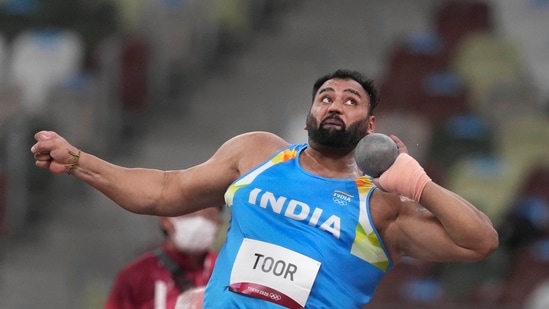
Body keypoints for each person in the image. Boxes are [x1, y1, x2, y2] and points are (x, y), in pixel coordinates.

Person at [31, 69, 498, 308]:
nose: (335, 106)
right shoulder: (258, 155)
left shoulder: (382, 209)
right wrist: (78, 160)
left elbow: (480, 241)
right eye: (326, 98)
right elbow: (161, 192)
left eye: (350, 101)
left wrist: (418, 184)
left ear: (370, 125)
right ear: (309, 115)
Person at [104, 206, 223, 309]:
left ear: (219, 223)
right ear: (165, 219)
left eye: (209, 214)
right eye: (190, 213)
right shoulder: (136, 276)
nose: (199, 221)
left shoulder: (229, 271)